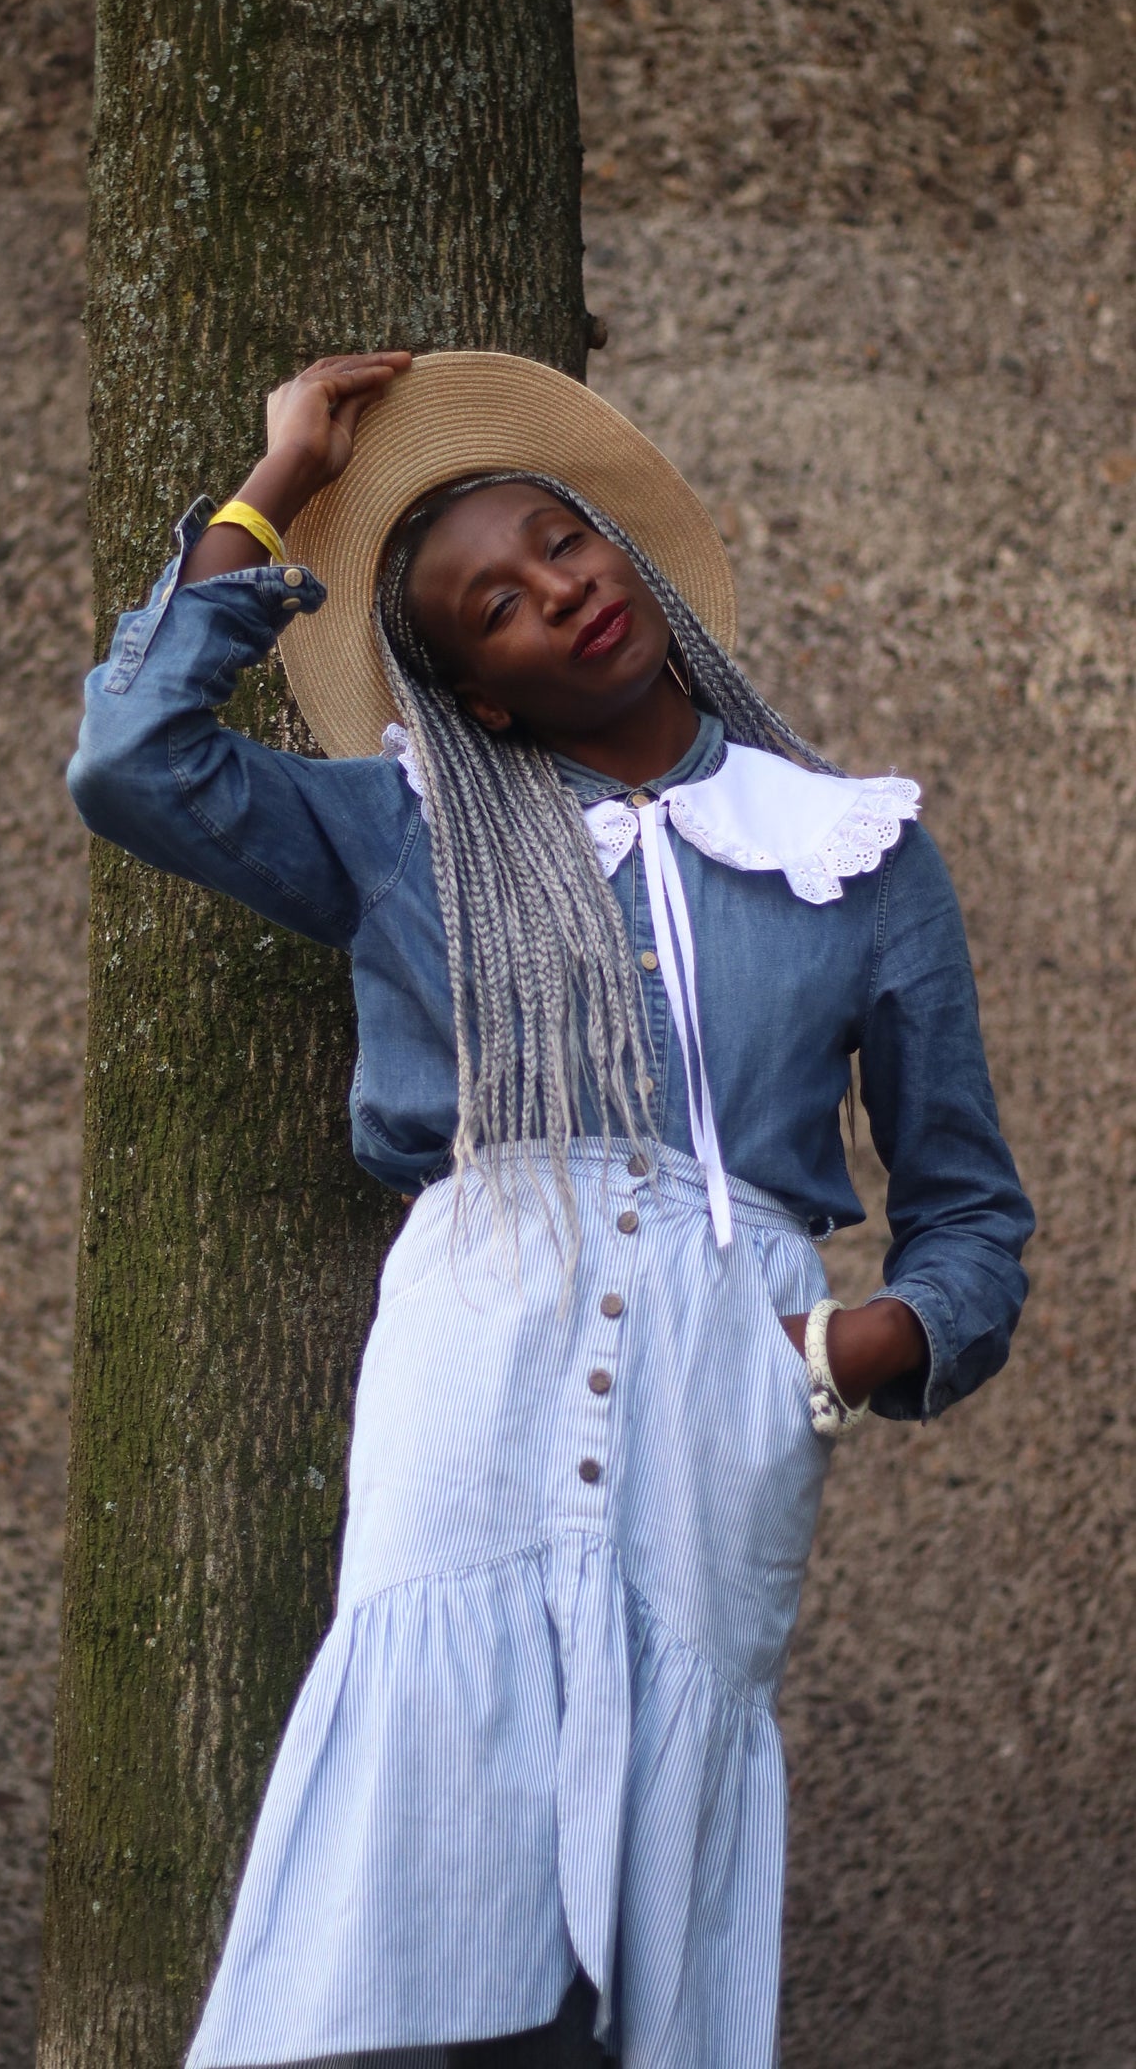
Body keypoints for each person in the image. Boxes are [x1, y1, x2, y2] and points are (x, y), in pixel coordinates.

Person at [68, 349, 1034, 2069]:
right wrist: (274, 488)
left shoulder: (849, 851)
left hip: (725, 1389)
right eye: (493, 609)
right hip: (478, 1347)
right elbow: (133, 760)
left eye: (560, 543)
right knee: (438, 1802)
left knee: (639, 1882)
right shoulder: (406, 831)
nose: (556, 592)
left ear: (624, 549)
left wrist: (861, 1345)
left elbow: (965, 1206)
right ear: (482, 700)